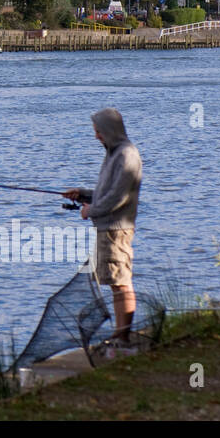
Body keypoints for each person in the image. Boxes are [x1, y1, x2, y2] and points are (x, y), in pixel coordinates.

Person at [62, 108, 140, 346]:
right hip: (107, 228)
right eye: (95, 131)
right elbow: (107, 192)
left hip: (116, 230)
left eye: (99, 131)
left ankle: (123, 336)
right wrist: (84, 194)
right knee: (115, 282)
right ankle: (120, 333)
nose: (96, 136)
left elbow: (117, 197)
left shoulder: (126, 155)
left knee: (121, 281)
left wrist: (90, 210)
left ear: (110, 130)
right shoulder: (113, 154)